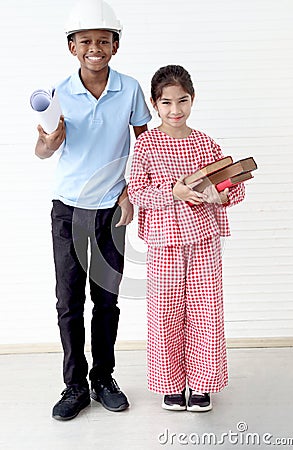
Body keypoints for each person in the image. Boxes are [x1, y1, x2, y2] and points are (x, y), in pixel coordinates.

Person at [34, 0, 151, 421]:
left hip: (110, 212)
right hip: (68, 211)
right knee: (69, 302)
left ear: (115, 46)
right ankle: (74, 386)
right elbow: (43, 150)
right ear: (72, 47)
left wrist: (131, 192)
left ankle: (103, 378)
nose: (95, 47)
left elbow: (149, 147)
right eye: (86, 41)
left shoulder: (131, 89)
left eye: (104, 40)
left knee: (107, 301)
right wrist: (50, 140)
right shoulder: (57, 93)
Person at [128, 65, 245, 412]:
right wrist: (174, 192)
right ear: (154, 103)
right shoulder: (147, 144)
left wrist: (219, 195)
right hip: (164, 243)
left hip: (204, 243)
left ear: (193, 100)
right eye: (166, 103)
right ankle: (171, 384)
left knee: (205, 311)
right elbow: (137, 192)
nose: (175, 110)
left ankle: (203, 384)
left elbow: (232, 189)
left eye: (182, 101)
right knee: (165, 313)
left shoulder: (206, 143)